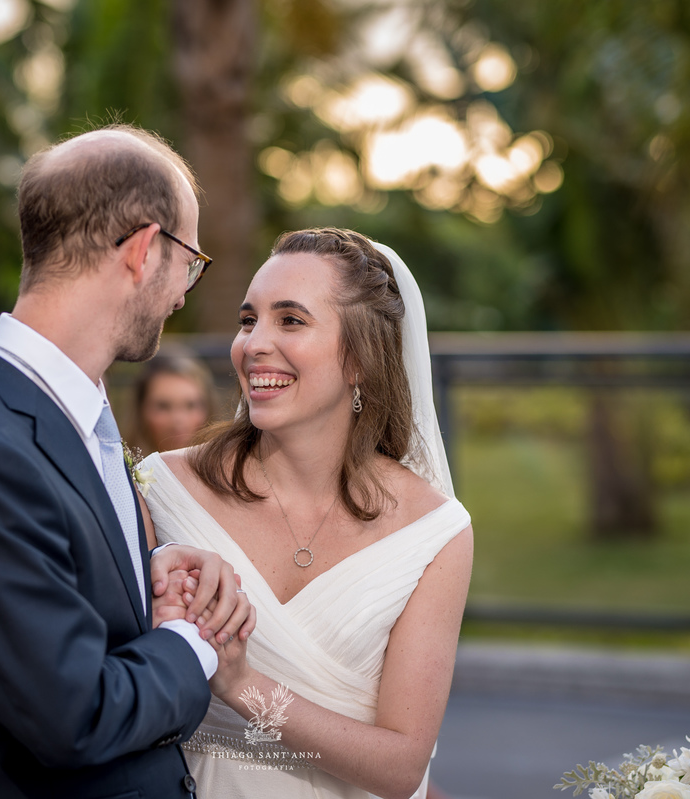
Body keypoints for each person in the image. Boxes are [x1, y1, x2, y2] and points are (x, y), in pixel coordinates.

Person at [0, 124, 254, 799]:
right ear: (144, 250)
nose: (183, 291)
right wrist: (193, 640)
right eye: (189, 260)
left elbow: (44, 592)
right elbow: (73, 714)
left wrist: (144, 576)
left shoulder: (72, 409)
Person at [141, 228, 475, 799]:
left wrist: (242, 683)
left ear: (361, 358)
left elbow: (401, 768)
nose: (254, 344)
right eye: (249, 320)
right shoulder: (161, 490)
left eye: (290, 321)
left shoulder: (433, 532)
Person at [128, 354, 216, 455]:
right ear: (141, 410)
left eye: (191, 405)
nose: (178, 420)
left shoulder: (227, 467)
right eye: (163, 406)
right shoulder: (121, 468)